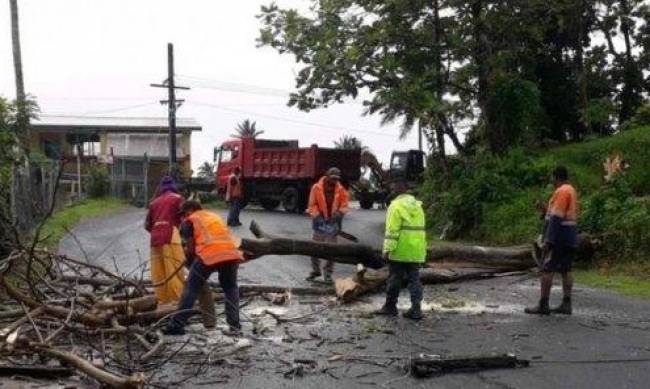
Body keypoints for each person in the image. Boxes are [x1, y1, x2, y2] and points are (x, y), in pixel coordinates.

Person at [163, 200, 244, 336]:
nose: (183, 216)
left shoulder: (191, 220)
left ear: (190, 210)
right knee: (231, 288)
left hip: (209, 254)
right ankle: (234, 326)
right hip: (230, 253)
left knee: (191, 287)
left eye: (184, 213)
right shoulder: (214, 216)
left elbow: (190, 250)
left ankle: (176, 325)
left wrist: (188, 262)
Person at [525, 166, 578, 315]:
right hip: (570, 234)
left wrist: (549, 240)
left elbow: (556, 218)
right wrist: (544, 211)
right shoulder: (571, 190)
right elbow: (556, 214)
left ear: (556, 177)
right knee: (566, 269)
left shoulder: (561, 191)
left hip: (559, 236)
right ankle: (566, 303)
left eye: (552, 177)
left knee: (547, 268)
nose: (551, 180)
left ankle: (543, 304)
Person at [374, 179, 427, 320]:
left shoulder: (395, 206)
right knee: (414, 279)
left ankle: (390, 306)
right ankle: (416, 309)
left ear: (396, 191)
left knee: (395, 278)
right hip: (416, 250)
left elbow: (392, 231)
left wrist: (387, 250)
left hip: (400, 250)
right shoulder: (418, 206)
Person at [145, 176, 186, 305]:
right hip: (171, 236)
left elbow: (147, 225)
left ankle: (162, 300)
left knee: (159, 272)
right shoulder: (178, 199)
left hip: (155, 238)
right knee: (173, 270)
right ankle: (177, 300)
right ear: (173, 187)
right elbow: (185, 219)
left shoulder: (153, 202)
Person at [306, 167, 350, 283]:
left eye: (337, 179)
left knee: (332, 250)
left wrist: (339, 213)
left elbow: (345, 205)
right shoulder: (316, 188)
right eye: (333, 178)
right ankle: (315, 270)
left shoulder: (341, 190)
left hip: (333, 223)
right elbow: (311, 205)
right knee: (314, 248)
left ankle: (328, 273)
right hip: (319, 223)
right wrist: (317, 216)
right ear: (327, 176)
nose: (335, 181)